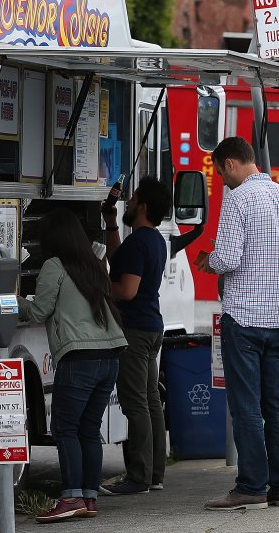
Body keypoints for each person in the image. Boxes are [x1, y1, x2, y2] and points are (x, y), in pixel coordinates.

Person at [192, 136, 279, 511]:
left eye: (219, 171)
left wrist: (209, 260)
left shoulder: (238, 199)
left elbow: (227, 257)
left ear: (229, 164)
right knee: (278, 401)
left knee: (246, 404)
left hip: (244, 316)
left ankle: (251, 486)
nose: (222, 180)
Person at [20, 209, 128, 523]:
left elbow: (39, 312)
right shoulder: (93, 264)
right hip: (109, 356)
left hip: (80, 357)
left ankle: (71, 497)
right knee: (88, 430)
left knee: (65, 428)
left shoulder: (54, 265)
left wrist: (11, 300)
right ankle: (88, 498)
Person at [100, 177, 170, 495]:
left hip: (135, 331)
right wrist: (111, 223)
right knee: (151, 400)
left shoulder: (139, 242)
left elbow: (125, 289)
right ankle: (155, 473)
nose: (127, 202)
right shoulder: (153, 240)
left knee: (135, 403)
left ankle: (138, 476)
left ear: (142, 206)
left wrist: (95, 286)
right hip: (152, 327)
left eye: (132, 199)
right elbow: (121, 263)